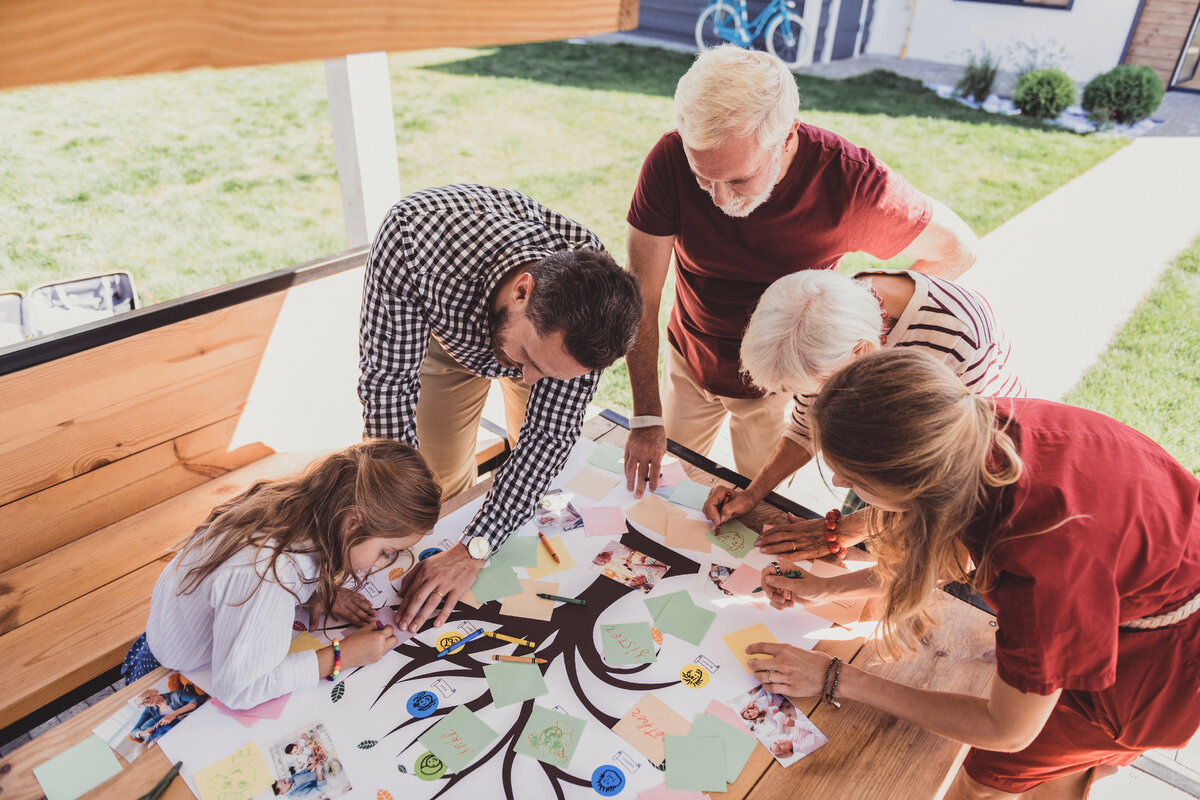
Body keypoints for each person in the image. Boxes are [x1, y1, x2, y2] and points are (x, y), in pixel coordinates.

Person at [747, 350, 1200, 799]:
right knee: (1050, 763)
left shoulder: (1039, 566)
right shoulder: (969, 423)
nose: (843, 487)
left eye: (846, 476)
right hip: (1137, 576)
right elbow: (944, 550)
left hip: (1158, 669)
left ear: (910, 485)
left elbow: (1006, 730)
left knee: (986, 778)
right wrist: (827, 588)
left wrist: (837, 677)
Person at [622, 45, 979, 495]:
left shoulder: (849, 183)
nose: (717, 198)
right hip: (688, 360)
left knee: (761, 509)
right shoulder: (670, 158)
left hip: (779, 389)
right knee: (665, 493)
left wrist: (857, 345)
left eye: (736, 179)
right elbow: (641, 297)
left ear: (788, 135)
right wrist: (647, 414)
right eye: (701, 177)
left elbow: (956, 248)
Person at [359, 184, 642, 634]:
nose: (526, 381)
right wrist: (391, 506)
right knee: (432, 479)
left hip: (530, 336)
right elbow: (389, 384)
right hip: (443, 330)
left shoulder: (589, 322)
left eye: (548, 374)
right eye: (529, 360)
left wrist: (475, 549)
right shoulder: (414, 239)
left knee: (531, 471)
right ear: (522, 291)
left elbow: (546, 437)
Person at [702, 268, 1023, 557]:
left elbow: (945, 486)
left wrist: (840, 531)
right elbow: (805, 427)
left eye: (822, 388)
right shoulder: (830, 321)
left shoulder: (958, 338)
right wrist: (753, 493)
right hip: (892, 440)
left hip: (980, 461)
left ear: (862, 352)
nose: (835, 479)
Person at [125, 440, 441, 709]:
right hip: (168, 675)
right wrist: (341, 656)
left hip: (186, 642)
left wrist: (318, 590)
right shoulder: (270, 573)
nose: (382, 564)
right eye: (385, 552)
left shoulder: (297, 506)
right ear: (352, 523)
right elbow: (241, 689)